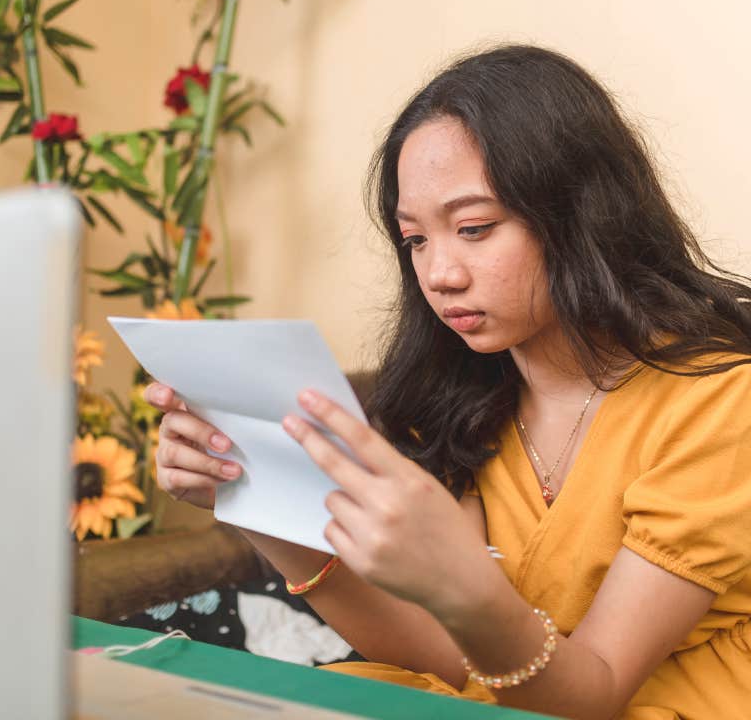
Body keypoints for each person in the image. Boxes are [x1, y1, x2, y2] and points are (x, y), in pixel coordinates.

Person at [144, 45, 751, 719]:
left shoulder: (721, 402)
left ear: (581, 215)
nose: (440, 274)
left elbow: (592, 694)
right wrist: (254, 497)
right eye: (416, 240)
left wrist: (467, 587)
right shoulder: (461, 395)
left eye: (473, 228)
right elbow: (454, 660)